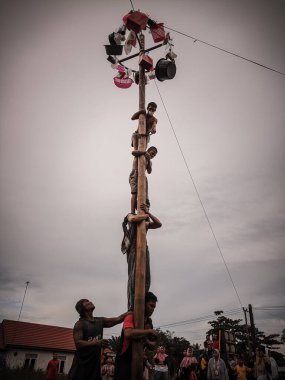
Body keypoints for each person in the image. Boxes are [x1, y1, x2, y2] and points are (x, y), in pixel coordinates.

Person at [68, 299, 128, 380]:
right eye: (86, 302)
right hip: (81, 366)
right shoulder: (80, 324)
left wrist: (130, 312)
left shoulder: (99, 321)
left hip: (95, 366)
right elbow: (78, 343)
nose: (89, 301)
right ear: (82, 309)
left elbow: (118, 319)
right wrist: (96, 343)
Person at [121, 204, 162, 311]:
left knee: (146, 276)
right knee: (133, 275)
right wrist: (145, 216)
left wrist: (148, 213)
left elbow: (158, 224)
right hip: (133, 248)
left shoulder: (145, 222)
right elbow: (134, 218)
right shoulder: (130, 215)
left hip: (144, 248)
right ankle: (132, 305)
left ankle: (143, 300)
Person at [114, 291, 158, 380]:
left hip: (140, 361)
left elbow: (153, 346)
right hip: (124, 360)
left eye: (154, 307)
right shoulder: (130, 316)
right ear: (143, 304)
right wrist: (148, 332)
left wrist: (146, 340)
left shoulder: (149, 322)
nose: (153, 309)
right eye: (151, 305)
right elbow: (128, 333)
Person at [129, 145, 158, 214]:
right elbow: (133, 152)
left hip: (143, 177)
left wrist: (148, 159)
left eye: (154, 155)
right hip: (135, 174)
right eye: (152, 153)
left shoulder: (149, 162)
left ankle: (144, 211)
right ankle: (132, 212)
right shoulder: (141, 154)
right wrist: (144, 153)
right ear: (148, 150)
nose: (153, 155)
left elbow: (149, 171)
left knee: (144, 195)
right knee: (134, 193)